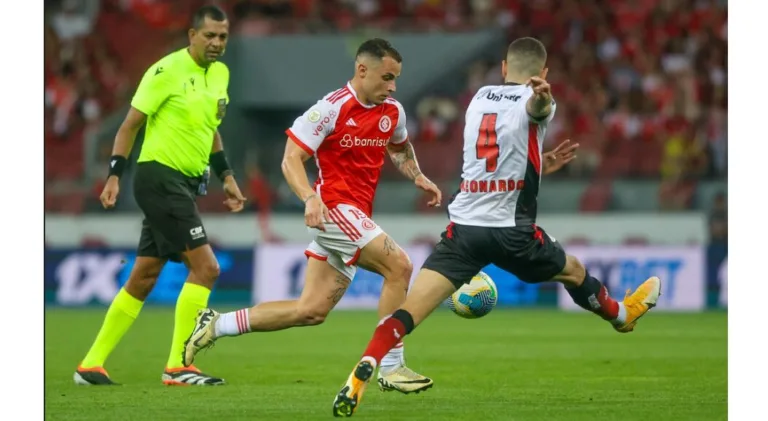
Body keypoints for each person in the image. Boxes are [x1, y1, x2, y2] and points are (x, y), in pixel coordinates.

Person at [330, 37, 662, 417]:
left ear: (503, 68)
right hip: (512, 231)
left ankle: (365, 368)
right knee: (573, 271)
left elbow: (498, 152)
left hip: (464, 230)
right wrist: (543, 99)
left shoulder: (478, 98)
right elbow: (537, 109)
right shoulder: (535, 100)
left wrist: (538, 162)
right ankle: (621, 316)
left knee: (407, 313)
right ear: (544, 74)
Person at [183, 38, 442, 394]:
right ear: (362, 70)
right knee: (399, 266)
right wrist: (308, 197)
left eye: (395, 78)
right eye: (386, 77)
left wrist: (418, 176)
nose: (392, 86)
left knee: (311, 311)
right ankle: (391, 366)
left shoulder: (393, 112)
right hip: (333, 209)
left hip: (353, 217)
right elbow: (291, 159)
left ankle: (216, 324)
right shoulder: (329, 110)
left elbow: (399, 147)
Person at [74, 5, 247, 386]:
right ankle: (178, 365)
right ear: (191, 35)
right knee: (207, 268)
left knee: (144, 275)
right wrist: (114, 176)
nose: (217, 43)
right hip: (157, 178)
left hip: (185, 183)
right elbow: (128, 126)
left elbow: (210, 129)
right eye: (210, 36)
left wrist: (227, 176)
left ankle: (90, 365)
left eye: (223, 37)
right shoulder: (165, 71)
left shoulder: (221, 74)